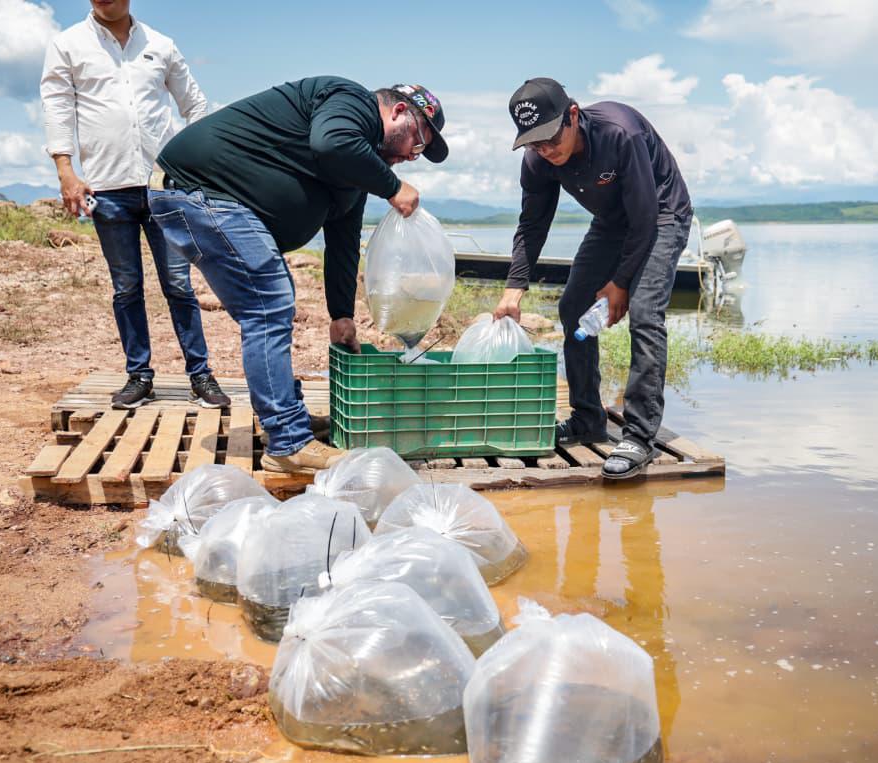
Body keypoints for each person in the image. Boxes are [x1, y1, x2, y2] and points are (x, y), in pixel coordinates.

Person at [148, 78, 447, 474]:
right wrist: (392, 187)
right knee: (269, 304)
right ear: (397, 112)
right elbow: (331, 142)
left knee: (272, 299)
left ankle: (289, 422)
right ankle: (288, 443)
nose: (413, 157)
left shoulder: (353, 173)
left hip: (209, 201)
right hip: (197, 191)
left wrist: (342, 316)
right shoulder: (351, 102)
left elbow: (343, 241)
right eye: (418, 143)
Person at [493, 78, 692, 480]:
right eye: (534, 143)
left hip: (661, 215)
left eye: (550, 138)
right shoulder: (538, 161)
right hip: (612, 223)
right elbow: (532, 225)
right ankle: (588, 419)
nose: (546, 151)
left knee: (644, 311)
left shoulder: (620, 134)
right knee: (572, 306)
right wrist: (514, 289)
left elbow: (644, 219)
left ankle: (639, 435)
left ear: (572, 115)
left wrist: (620, 283)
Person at [40, 0, 228, 410]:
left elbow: (195, 104)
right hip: (106, 189)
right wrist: (65, 171)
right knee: (126, 287)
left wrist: (191, 163)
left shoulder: (160, 44)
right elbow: (56, 106)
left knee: (179, 285)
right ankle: (139, 376)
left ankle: (201, 375)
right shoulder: (68, 44)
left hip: (164, 186)